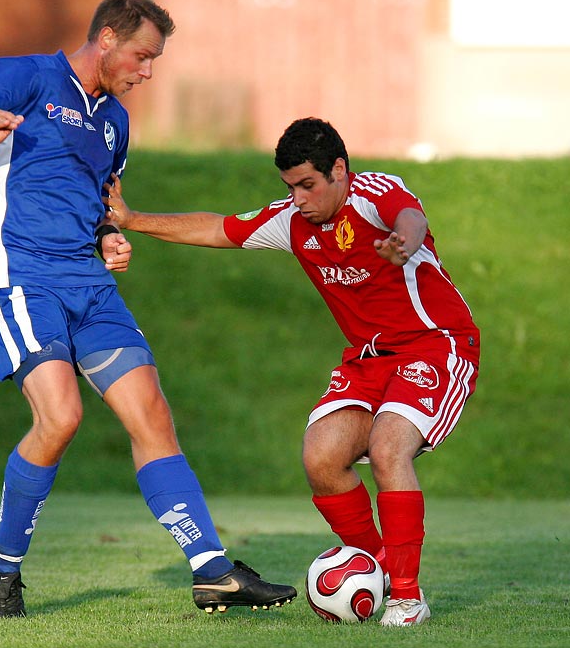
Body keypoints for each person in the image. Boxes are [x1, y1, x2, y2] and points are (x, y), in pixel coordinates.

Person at [0, 0, 296, 618]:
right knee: (61, 417)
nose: (147, 72)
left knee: (151, 411)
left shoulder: (114, 121)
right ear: (109, 40)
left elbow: (100, 202)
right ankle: (3, 565)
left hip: (88, 286)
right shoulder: (29, 75)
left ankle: (212, 571)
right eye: (143, 57)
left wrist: (111, 236)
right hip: (17, 278)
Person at [105, 117, 480, 627]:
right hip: (369, 357)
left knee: (392, 448)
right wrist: (132, 219)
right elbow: (219, 228)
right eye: (290, 187)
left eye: (308, 184)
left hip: (435, 345)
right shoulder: (292, 220)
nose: (299, 198)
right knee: (321, 457)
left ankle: (408, 599)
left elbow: (409, 216)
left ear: (339, 171)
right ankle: (382, 567)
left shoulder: (374, 193)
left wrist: (405, 242)